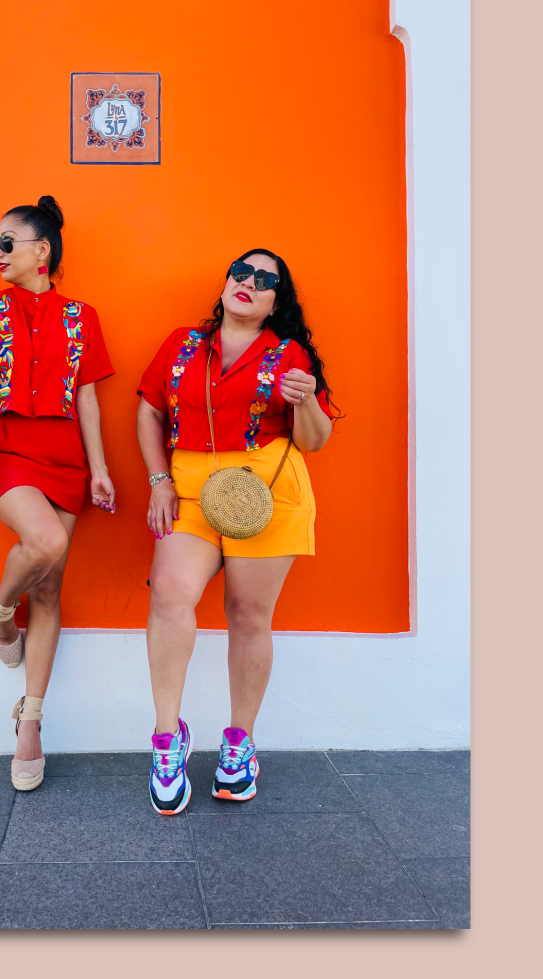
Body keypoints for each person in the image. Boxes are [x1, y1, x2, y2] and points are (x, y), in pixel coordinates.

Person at [134, 248, 337, 814]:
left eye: (265, 279)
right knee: (171, 596)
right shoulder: (183, 345)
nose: (249, 282)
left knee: (249, 614)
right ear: (225, 283)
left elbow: (315, 439)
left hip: (266, 490)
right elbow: (150, 411)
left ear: (277, 301)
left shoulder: (289, 355)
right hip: (188, 487)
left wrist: (305, 400)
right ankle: (167, 739)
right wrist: (157, 481)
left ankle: (239, 744)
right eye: (241, 273)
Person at [0, 195, 117, 792]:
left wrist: (99, 468)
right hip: (7, 450)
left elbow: (88, 399)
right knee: (42, 543)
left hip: (67, 458)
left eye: (6, 242)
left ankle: (31, 722)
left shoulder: (81, 315)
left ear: (41, 250)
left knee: (48, 589)